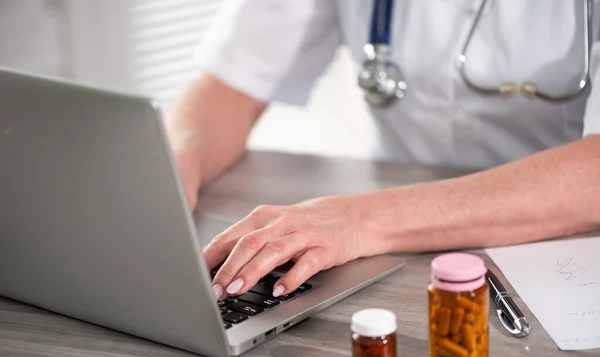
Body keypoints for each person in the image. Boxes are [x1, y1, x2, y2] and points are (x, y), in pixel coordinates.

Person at [165, 0, 600, 301]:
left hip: (558, 247)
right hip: (390, 258)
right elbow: (231, 84)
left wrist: (355, 220)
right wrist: (171, 164)